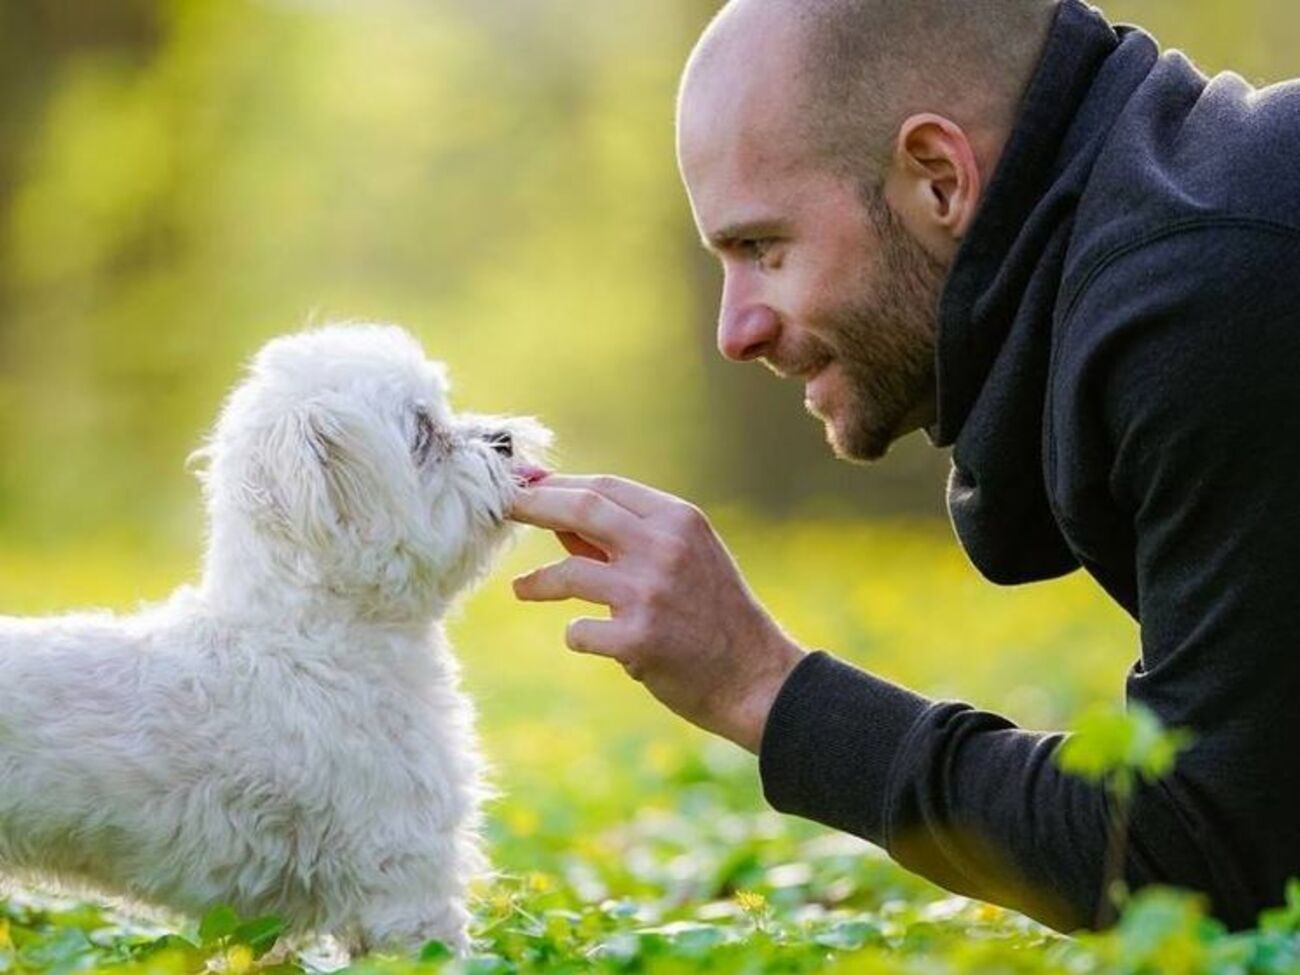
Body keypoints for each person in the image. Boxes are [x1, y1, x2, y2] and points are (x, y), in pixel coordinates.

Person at [508, 0, 1300, 933]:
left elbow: (1204, 857)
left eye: (762, 247)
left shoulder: (1207, 291)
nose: (735, 331)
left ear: (936, 178)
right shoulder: (1185, 233)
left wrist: (762, 685)